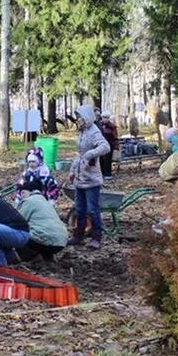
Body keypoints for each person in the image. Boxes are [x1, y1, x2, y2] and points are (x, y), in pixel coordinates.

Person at [67, 105, 110, 249]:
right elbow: (79, 154)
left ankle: (96, 237)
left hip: (91, 178)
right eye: (77, 117)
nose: (78, 119)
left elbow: (105, 147)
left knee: (93, 209)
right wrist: (72, 171)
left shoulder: (94, 132)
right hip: (80, 178)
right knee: (79, 209)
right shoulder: (82, 131)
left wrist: (91, 154)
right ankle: (78, 235)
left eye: (80, 116)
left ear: (86, 117)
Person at [15, 190, 68, 262]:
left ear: (28, 192)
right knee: (42, 232)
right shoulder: (45, 201)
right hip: (61, 242)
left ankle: (32, 256)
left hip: (42, 241)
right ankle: (47, 256)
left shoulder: (29, 201)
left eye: (22, 193)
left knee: (19, 235)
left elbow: (19, 221)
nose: (21, 196)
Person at [95, 109, 120, 180]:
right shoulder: (99, 125)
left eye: (106, 118)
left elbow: (115, 137)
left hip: (109, 145)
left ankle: (108, 174)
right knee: (101, 160)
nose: (105, 119)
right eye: (103, 117)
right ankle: (102, 173)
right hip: (100, 145)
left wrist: (116, 146)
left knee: (107, 160)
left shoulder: (112, 126)